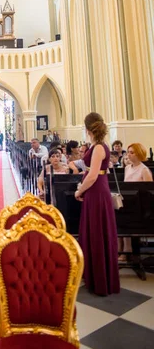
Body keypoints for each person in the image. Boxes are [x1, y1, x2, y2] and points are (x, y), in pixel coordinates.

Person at [76, 112, 120, 296]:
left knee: (97, 232)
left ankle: (101, 280)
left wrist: (80, 190)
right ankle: (95, 275)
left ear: (88, 129)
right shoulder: (98, 146)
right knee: (94, 231)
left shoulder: (99, 148)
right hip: (96, 190)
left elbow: (94, 175)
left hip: (96, 192)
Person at [119, 143, 153, 262]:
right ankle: (122, 249)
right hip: (128, 203)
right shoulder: (128, 168)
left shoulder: (144, 170)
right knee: (118, 216)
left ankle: (130, 251)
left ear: (139, 154)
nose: (128, 155)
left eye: (132, 152)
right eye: (128, 152)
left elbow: (149, 193)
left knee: (128, 220)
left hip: (140, 206)